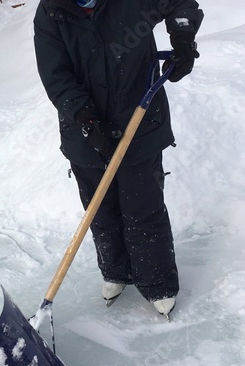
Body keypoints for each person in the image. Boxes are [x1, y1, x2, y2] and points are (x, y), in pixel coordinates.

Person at [33, 0, 203, 317]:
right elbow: (56, 75)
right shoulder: (51, 11)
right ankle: (117, 272)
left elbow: (180, 5)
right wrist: (87, 120)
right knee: (101, 211)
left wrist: (181, 37)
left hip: (140, 124)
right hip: (84, 133)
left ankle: (157, 284)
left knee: (144, 210)